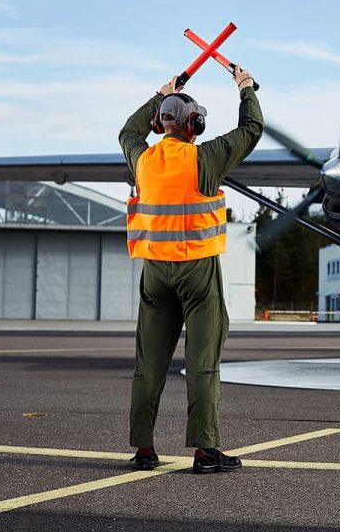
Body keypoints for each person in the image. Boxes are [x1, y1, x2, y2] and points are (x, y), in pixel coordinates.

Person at [119, 66, 262, 474]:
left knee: (148, 364)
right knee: (203, 361)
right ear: (194, 124)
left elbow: (128, 131)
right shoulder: (204, 157)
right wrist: (245, 88)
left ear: (160, 124)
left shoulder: (142, 159)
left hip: (154, 271)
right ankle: (205, 450)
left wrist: (160, 95)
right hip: (197, 269)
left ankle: (143, 448)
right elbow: (252, 128)